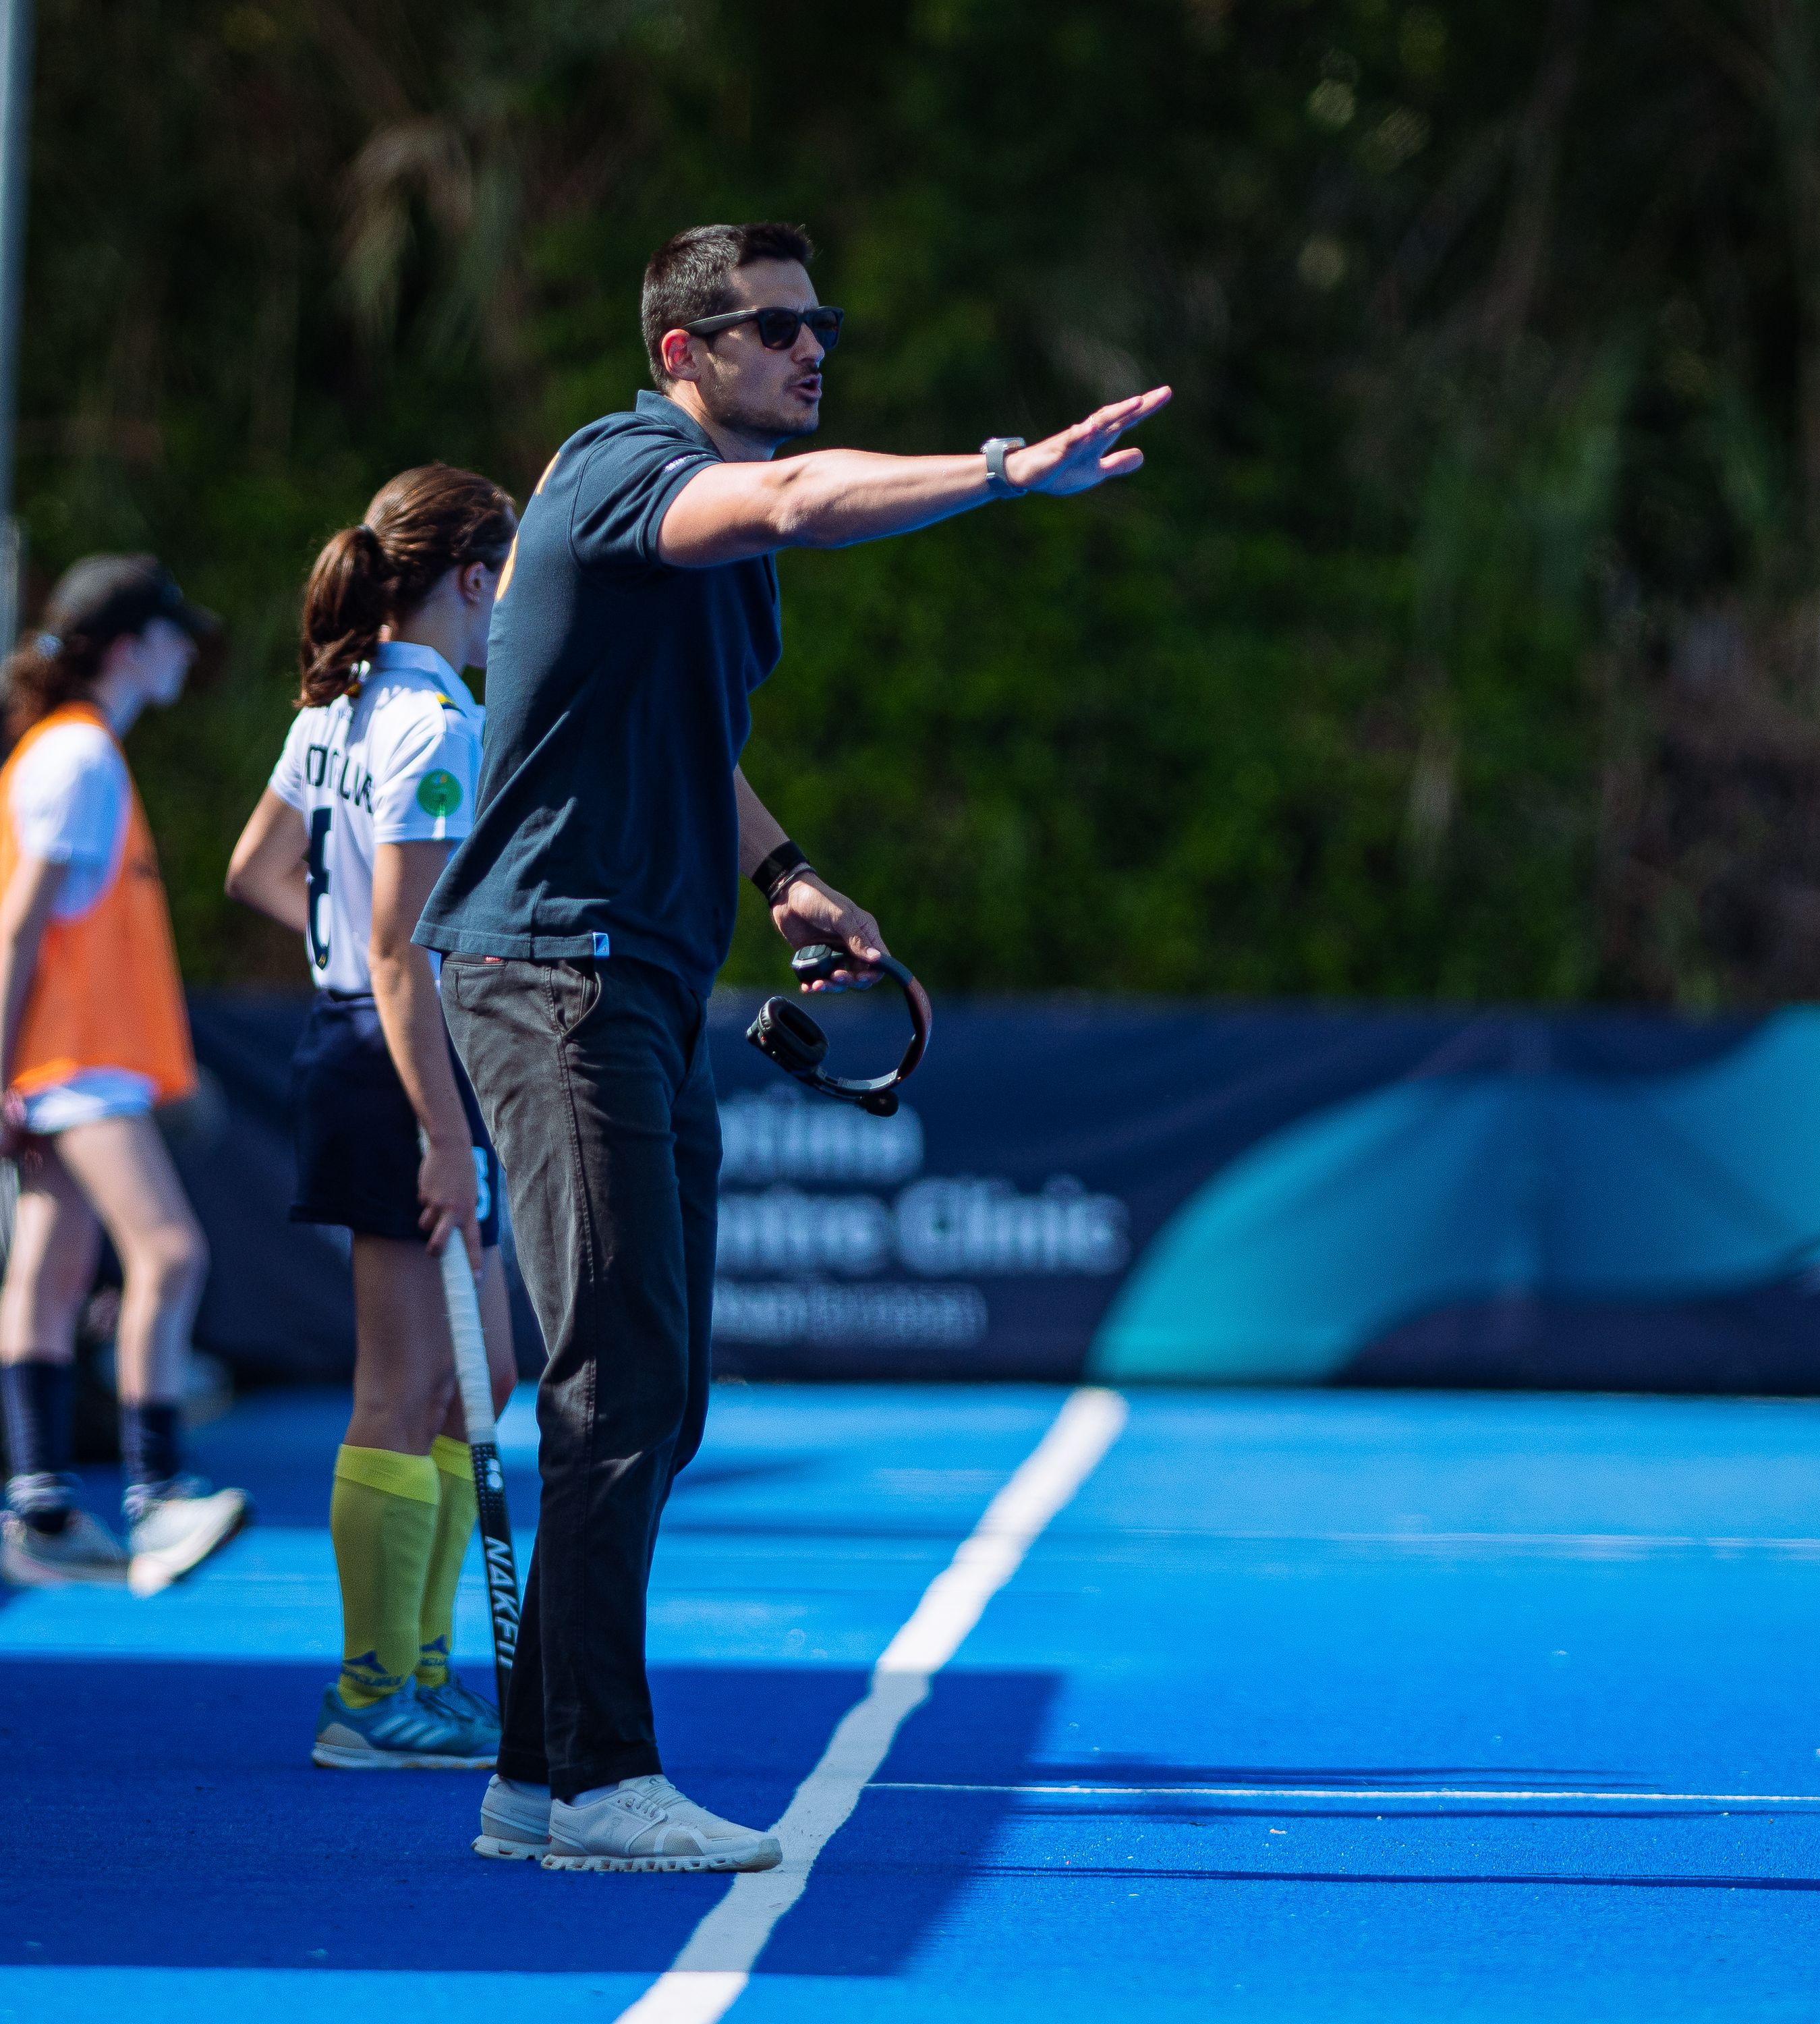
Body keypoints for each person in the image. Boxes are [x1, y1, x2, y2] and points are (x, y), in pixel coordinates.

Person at [414, 220, 1167, 1872]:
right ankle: (603, 1780)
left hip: (639, 976)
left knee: (658, 1394)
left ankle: (539, 1780)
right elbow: (802, 500)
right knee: (615, 1378)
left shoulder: (701, 537)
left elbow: (686, 735)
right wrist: (1002, 470)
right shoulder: (632, 466)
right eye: (768, 330)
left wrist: (785, 872)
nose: (807, 350)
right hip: (555, 970)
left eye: (818, 323)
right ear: (684, 353)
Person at [225, 466, 519, 1769]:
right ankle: (368, 1694)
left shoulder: (339, 706)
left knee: (482, 1377)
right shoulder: (432, 723)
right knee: (402, 1389)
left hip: (384, 1045)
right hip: (408, 1067)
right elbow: (400, 949)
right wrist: (443, 1130)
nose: (513, 604)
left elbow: (256, 873)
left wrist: (343, 958)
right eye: (506, 578)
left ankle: (426, 1665)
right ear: (472, 578)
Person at [0, 556, 250, 1595]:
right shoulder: (80, 757)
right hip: (73, 1064)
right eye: (170, 632)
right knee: (171, 1254)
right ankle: (158, 1496)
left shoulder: (65, 752)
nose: (185, 651)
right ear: (126, 646)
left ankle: (43, 1509)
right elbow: (18, 932)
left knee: (52, 1279)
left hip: (66, 1064)